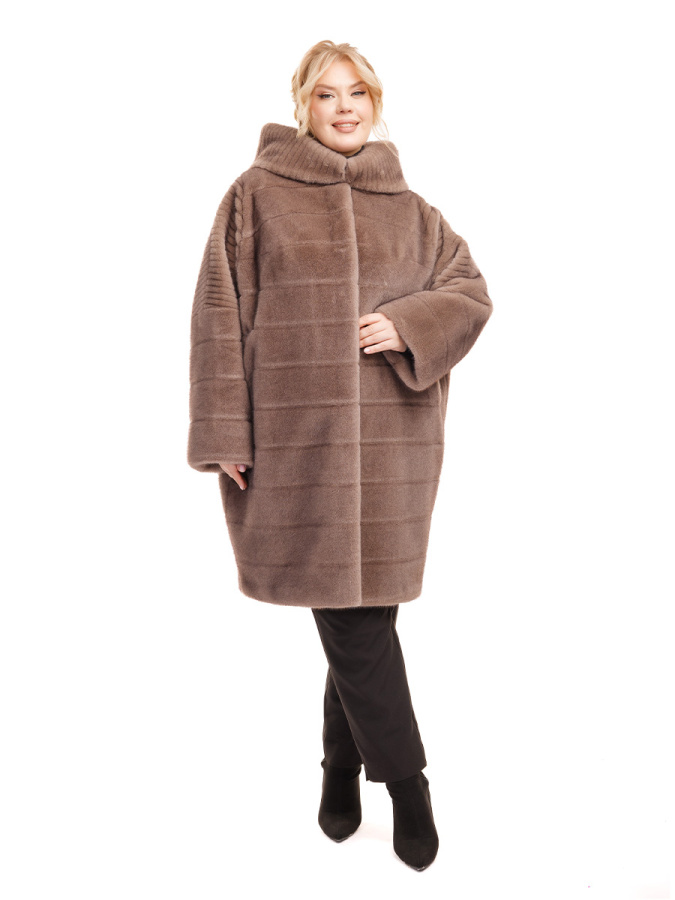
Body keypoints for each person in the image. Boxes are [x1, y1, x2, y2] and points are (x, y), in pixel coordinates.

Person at [187, 40, 493, 871]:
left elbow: (470, 292)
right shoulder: (255, 196)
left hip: (395, 446)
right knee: (357, 624)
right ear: (303, 105)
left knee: (362, 618)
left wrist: (407, 323)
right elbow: (217, 312)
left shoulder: (413, 209)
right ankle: (408, 785)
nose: (345, 107)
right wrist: (223, 432)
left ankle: (338, 768)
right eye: (327, 94)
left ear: (374, 101)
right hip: (299, 447)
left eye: (357, 92)